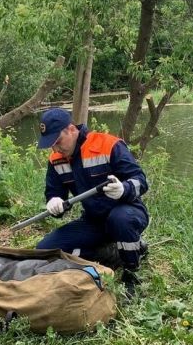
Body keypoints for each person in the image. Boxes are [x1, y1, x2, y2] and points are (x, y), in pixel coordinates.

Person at [35, 108, 149, 295]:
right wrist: (54, 202)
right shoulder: (56, 160)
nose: (55, 149)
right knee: (45, 249)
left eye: (57, 141)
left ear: (71, 129)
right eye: (50, 144)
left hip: (127, 211)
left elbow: (141, 180)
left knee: (120, 219)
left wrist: (124, 189)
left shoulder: (108, 144)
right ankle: (112, 253)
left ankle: (131, 271)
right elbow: (55, 193)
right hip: (93, 220)